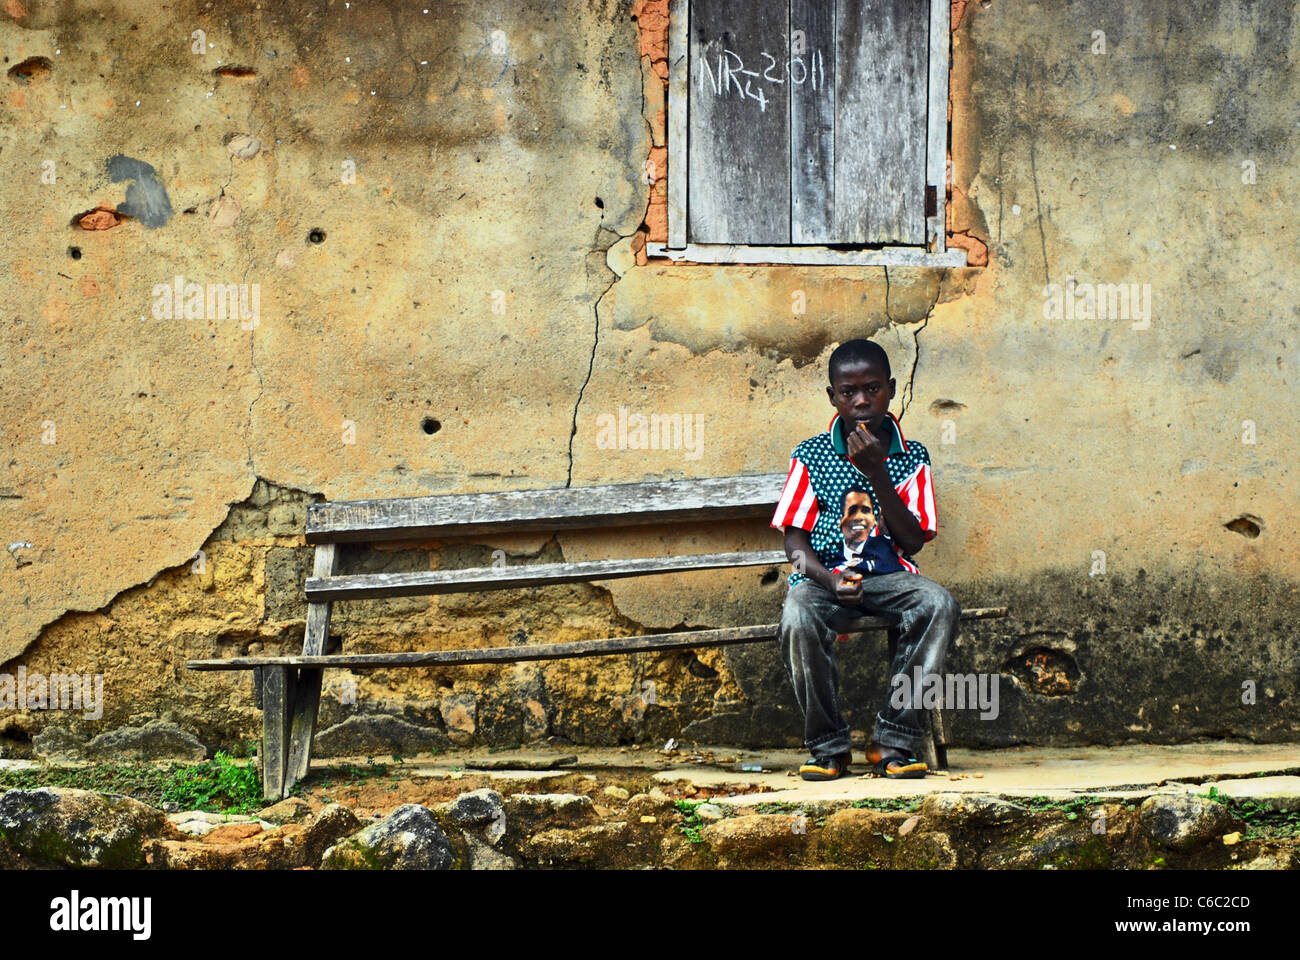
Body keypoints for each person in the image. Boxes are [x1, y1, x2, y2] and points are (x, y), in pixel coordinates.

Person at [770, 338, 961, 780]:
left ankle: (893, 740)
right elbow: (794, 543)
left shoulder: (912, 456)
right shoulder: (811, 454)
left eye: (872, 388)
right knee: (798, 616)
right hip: (824, 579)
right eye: (847, 392)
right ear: (832, 396)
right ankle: (828, 748)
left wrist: (877, 471)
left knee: (937, 604)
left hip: (889, 577)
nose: (860, 400)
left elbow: (912, 542)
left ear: (891, 389)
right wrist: (829, 581)